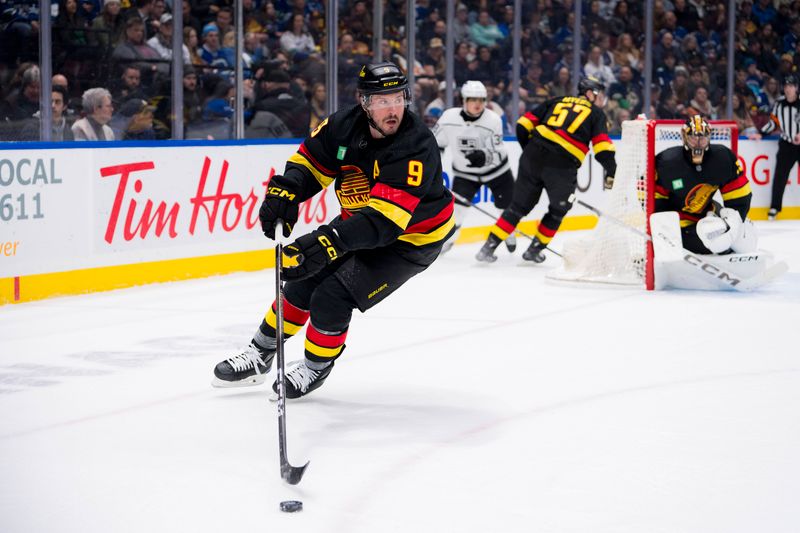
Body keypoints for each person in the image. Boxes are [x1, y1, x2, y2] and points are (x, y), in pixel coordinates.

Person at [211, 62, 455, 398]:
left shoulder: (415, 144)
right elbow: (309, 164)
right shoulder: (343, 125)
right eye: (382, 101)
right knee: (301, 278)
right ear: (363, 102)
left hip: (410, 239)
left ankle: (316, 368)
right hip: (361, 220)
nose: (392, 109)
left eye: (398, 99)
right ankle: (261, 353)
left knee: (332, 295)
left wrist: (329, 242)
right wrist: (287, 191)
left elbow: (384, 223)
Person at [476, 76, 616, 263]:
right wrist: (612, 171)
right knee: (559, 209)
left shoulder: (555, 101)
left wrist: (531, 150)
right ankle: (535, 250)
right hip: (562, 164)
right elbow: (602, 149)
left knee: (517, 207)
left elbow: (523, 124)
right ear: (590, 94)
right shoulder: (596, 114)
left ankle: (488, 247)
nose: (601, 99)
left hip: (533, 155)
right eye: (599, 95)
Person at [433, 80, 515, 253]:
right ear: (463, 100)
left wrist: (485, 156)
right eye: (473, 99)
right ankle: (447, 242)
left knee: (506, 206)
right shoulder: (448, 118)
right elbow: (435, 144)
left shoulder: (493, 120)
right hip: (465, 174)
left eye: (481, 100)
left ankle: (509, 233)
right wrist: (432, 167)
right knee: (457, 211)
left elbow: (499, 150)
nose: (478, 104)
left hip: (497, 171)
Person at [654, 116, 754, 254]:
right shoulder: (667, 162)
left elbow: (739, 195)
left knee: (745, 234)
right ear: (684, 137)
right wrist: (666, 232)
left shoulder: (722, 158)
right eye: (693, 138)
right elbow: (653, 202)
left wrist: (735, 222)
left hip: (707, 213)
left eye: (703, 138)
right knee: (713, 237)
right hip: (679, 222)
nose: (698, 143)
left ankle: (724, 248)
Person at [754, 75, 800, 220]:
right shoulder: (779, 103)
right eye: (786, 86)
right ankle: (775, 207)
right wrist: (761, 133)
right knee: (780, 176)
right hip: (786, 144)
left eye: (791, 86)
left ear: (796, 88)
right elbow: (773, 122)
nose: (788, 89)